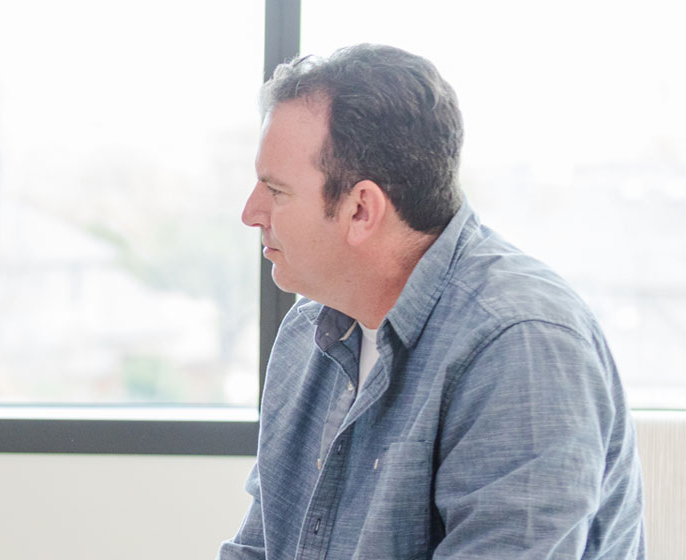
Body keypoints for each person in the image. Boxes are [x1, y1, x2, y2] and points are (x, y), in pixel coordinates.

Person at [222, 44, 645, 559]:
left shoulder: (521, 345)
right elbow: (257, 548)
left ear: (361, 210)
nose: (251, 212)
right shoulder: (307, 332)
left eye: (276, 190)